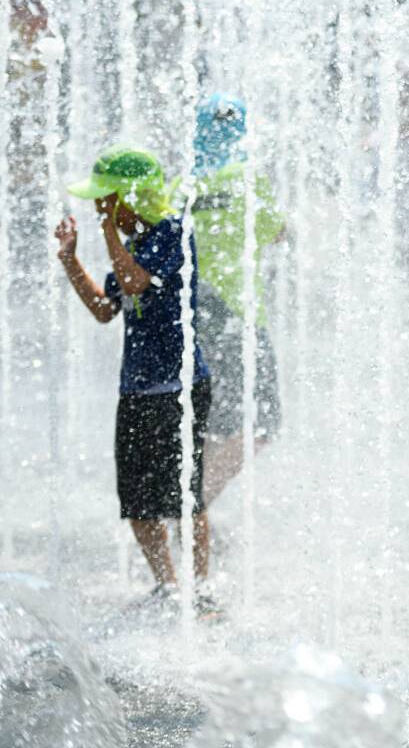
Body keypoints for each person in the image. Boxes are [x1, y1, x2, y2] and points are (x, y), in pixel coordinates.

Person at [55, 146, 217, 614]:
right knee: (138, 500)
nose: (99, 208)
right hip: (137, 388)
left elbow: (134, 283)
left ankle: (201, 589)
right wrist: (70, 259)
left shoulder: (172, 234)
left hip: (180, 387)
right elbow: (106, 309)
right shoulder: (134, 242)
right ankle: (167, 587)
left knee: (186, 492)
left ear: (130, 197)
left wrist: (106, 229)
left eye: (105, 200)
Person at [189, 94, 286, 515]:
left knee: (213, 425)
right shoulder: (246, 179)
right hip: (238, 315)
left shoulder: (182, 185)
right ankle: (192, 510)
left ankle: (191, 512)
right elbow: (276, 232)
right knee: (261, 425)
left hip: (195, 313)